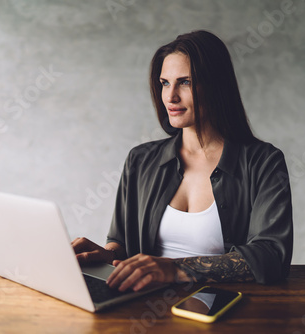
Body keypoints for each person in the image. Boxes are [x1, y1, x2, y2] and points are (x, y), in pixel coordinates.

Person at [72, 30, 293, 292]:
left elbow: (271, 256)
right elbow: (120, 241)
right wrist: (106, 256)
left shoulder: (263, 162)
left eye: (185, 82)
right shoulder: (140, 160)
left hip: (225, 309)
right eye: (165, 83)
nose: (170, 96)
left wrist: (175, 268)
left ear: (216, 86)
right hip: (142, 307)